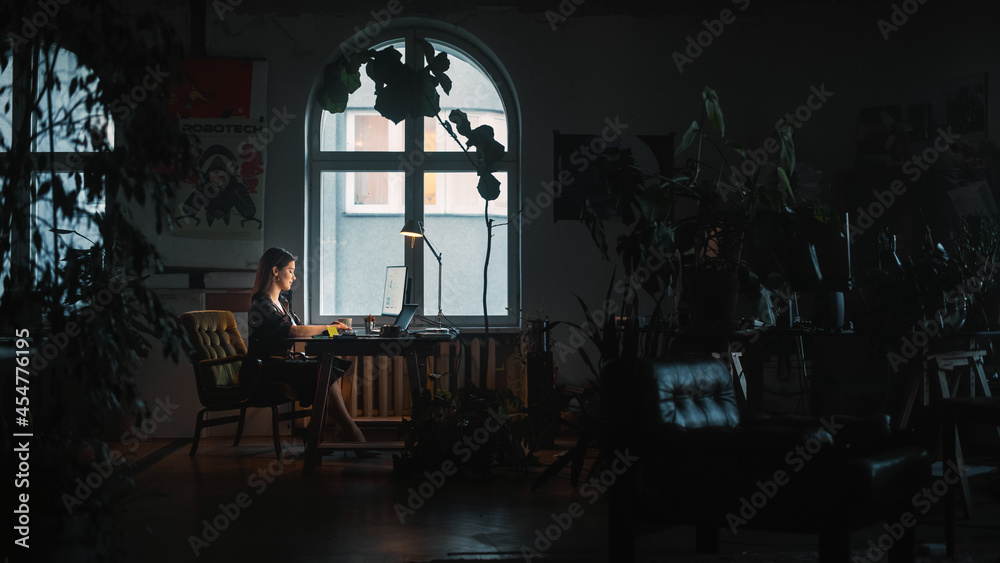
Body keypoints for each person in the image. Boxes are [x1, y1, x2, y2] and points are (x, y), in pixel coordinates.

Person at [242, 247, 369, 447]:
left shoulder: (282, 303)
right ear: (275, 271)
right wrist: (328, 327)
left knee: (324, 367)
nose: (293, 276)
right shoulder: (261, 304)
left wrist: (336, 330)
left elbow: (303, 330)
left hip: (280, 364)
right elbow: (294, 332)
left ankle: (319, 437)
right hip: (263, 369)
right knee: (322, 370)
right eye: (290, 271)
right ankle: (350, 434)